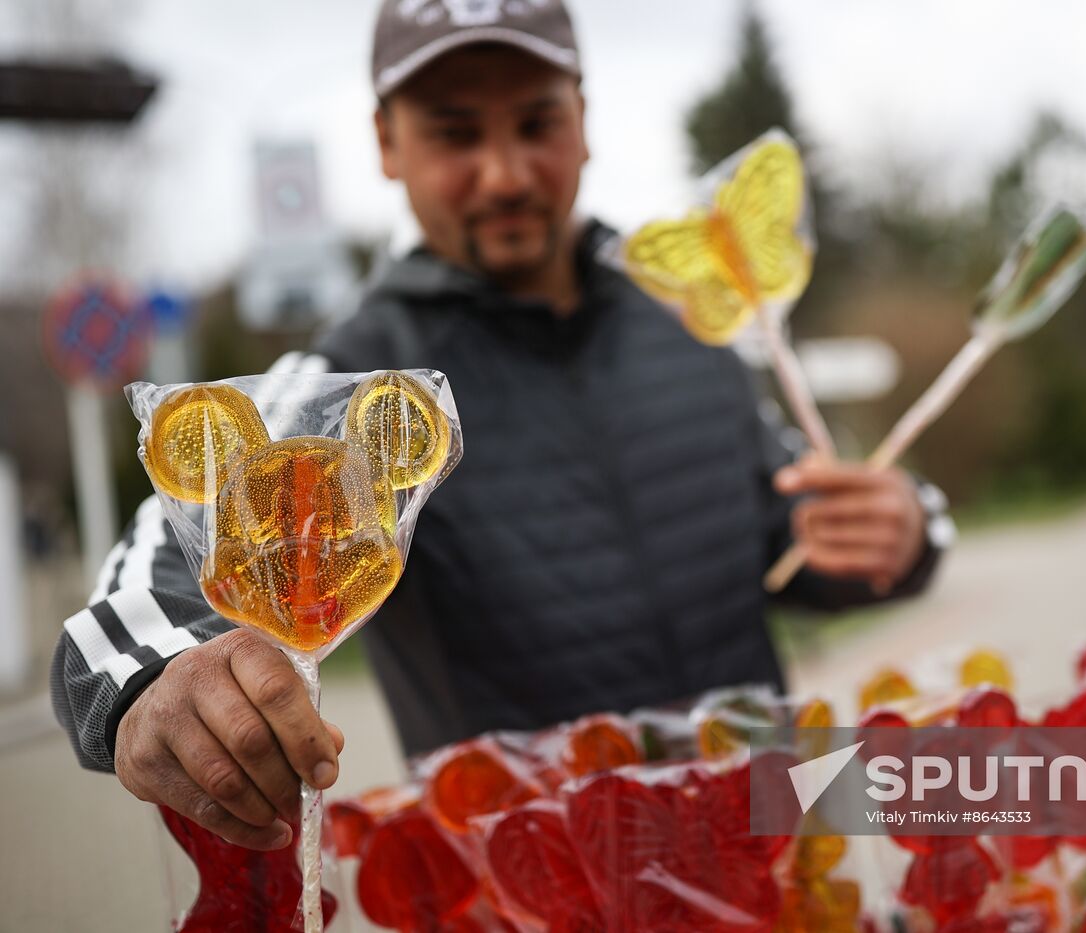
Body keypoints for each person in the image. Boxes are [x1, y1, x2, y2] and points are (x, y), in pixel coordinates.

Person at [51, 0, 954, 852]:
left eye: (535, 123)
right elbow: (151, 580)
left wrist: (903, 530)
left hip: (772, 852)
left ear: (584, 119)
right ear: (386, 143)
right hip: (530, 884)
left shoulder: (687, 319)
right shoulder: (359, 391)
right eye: (455, 132)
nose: (506, 172)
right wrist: (155, 679)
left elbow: (792, 528)